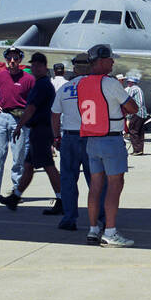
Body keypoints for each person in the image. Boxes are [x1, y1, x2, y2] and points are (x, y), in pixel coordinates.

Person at [78, 43, 137, 245]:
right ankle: (110, 232)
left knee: (95, 186)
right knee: (114, 185)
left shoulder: (82, 83)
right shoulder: (110, 83)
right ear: (101, 61)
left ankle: (94, 228)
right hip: (110, 138)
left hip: (91, 138)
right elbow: (133, 107)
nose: (113, 62)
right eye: (110, 59)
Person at [0, 49, 35, 202]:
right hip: (3, 117)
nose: (12, 61)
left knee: (18, 157)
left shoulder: (28, 79)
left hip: (20, 119)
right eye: (9, 58)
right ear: (6, 60)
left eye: (15, 58)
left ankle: (16, 192)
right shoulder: (0, 76)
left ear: (20, 60)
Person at [14, 53, 62, 212]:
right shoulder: (42, 83)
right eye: (33, 65)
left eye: (37, 65)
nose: (33, 68)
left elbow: (31, 108)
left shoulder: (42, 85)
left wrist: (19, 126)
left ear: (44, 67)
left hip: (41, 129)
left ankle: (62, 199)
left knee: (49, 166)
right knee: (28, 165)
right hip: (39, 129)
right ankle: (15, 197)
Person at [52, 52, 91, 231]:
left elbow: (55, 114)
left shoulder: (65, 88)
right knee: (97, 180)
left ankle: (69, 218)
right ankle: (103, 217)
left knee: (68, 179)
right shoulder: (98, 86)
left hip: (69, 137)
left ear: (74, 68)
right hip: (92, 137)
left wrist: (56, 136)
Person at [122, 74, 147, 155]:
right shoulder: (139, 89)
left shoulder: (132, 89)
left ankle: (136, 150)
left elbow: (127, 99)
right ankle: (140, 149)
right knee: (140, 131)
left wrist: (126, 112)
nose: (128, 83)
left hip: (136, 112)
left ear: (131, 82)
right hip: (143, 113)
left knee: (133, 131)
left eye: (128, 82)